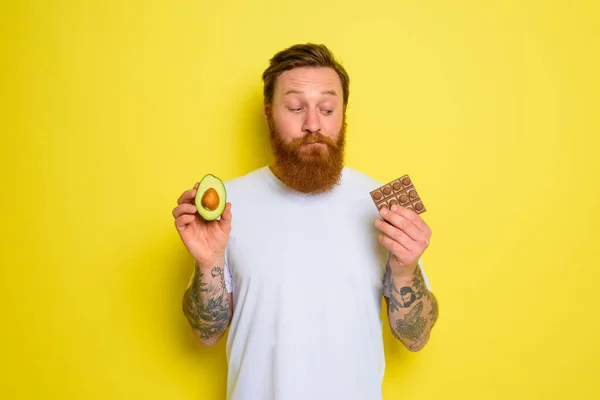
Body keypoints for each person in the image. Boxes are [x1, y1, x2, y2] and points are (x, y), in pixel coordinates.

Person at [172, 43, 439, 400]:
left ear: (343, 114)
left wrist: (406, 270)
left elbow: (416, 338)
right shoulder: (227, 207)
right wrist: (208, 265)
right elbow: (206, 333)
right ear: (268, 113)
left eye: (327, 108)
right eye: (296, 107)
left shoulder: (383, 208)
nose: (313, 123)